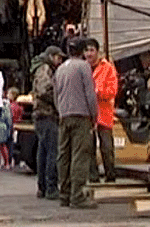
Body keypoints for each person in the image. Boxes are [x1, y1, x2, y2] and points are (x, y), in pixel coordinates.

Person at [54, 38, 98, 209]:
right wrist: (94, 116)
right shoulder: (83, 66)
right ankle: (77, 195)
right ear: (81, 51)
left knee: (64, 155)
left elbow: (56, 95)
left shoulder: (60, 69)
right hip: (81, 116)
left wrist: (61, 112)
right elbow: (90, 94)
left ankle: (64, 193)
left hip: (64, 115)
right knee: (80, 155)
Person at [31, 45, 66, 200]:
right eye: (59, 58)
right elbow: (45, 90)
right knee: (52, 151)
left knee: (43, 152)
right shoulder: (45, 69)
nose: (60, 61)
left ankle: (42, 187)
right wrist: (59, 101)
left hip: (40, 115)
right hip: (47, 114)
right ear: (52, 56)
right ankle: (50, 187)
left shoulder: (41, 67)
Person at [84, 38, 118, 183]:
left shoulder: (108, 68)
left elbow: (112, 90)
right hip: (87, 114)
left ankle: (110, 175)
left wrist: (98, 92)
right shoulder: (83, 67)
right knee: (88, 147)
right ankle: (93, 176)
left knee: (107, 147)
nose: (89, 54)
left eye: (91, 50)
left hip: (103, 112)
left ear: (97, 52)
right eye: (86, 50)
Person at [0, 89, 13, 170]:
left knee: (2, 145)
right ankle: (6, 162)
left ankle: (6, 162)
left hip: (2, 125)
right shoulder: (6, 104)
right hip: (4, 125)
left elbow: (7, 117)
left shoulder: (4, 105)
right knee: (3, 145)